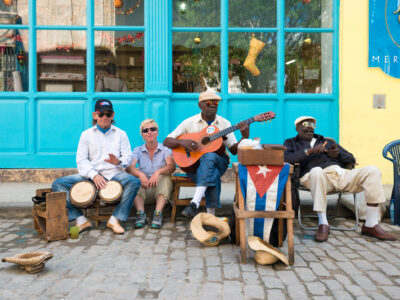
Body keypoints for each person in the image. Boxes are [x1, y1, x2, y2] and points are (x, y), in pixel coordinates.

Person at [284, 116, 397, 242]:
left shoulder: (327, 141)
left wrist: (338, 155)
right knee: (317, 171)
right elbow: (286, 159)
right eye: (305, 124)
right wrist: (309, 152)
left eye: (312, 124)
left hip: (338, 173)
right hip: (312, 176)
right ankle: (323, 223)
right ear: (297, 128)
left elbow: (351, 159)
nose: (310, 126)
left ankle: (370, 224)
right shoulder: (291, 143)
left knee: (373, 171)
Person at [52, 99, 140, 234]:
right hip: (91, 175)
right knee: (58, 184)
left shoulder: (121, 134)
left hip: (114, 174)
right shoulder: (86, 135)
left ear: (113, 115)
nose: (105, 117)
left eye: (108, 114)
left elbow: (128, 157)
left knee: (134, 181)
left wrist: (118, 162)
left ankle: (115, 219)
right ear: (95, 115)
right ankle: (81, 220)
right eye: (101, 114)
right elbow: (81, 160)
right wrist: (94, 175)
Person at [163, 90, 249, 218]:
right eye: (208, 103)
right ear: (200, 105)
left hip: (220, 162)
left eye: (216, 103)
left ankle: (195, 203)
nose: (213, 105)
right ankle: (211, 217)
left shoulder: (224, 124)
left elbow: (233, 150)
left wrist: (244, 137)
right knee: (211, 171)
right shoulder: (189, 122)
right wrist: (182, 142)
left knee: (210, 157)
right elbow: (166, 141)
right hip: (194, 166)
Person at [126, 119, 176, 229]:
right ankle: (140, 213)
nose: (149, 132)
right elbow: (129, 168)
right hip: (144, 190)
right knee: (133, 178)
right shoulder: (137, 150)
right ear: (142, 135)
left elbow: (171, 167)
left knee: (165, 176)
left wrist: (158, 172)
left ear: (157, 132)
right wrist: (141, 175)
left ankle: (158, 214)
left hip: (161, 191)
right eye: (145, 130)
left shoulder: (165, 149)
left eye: (152, 129)